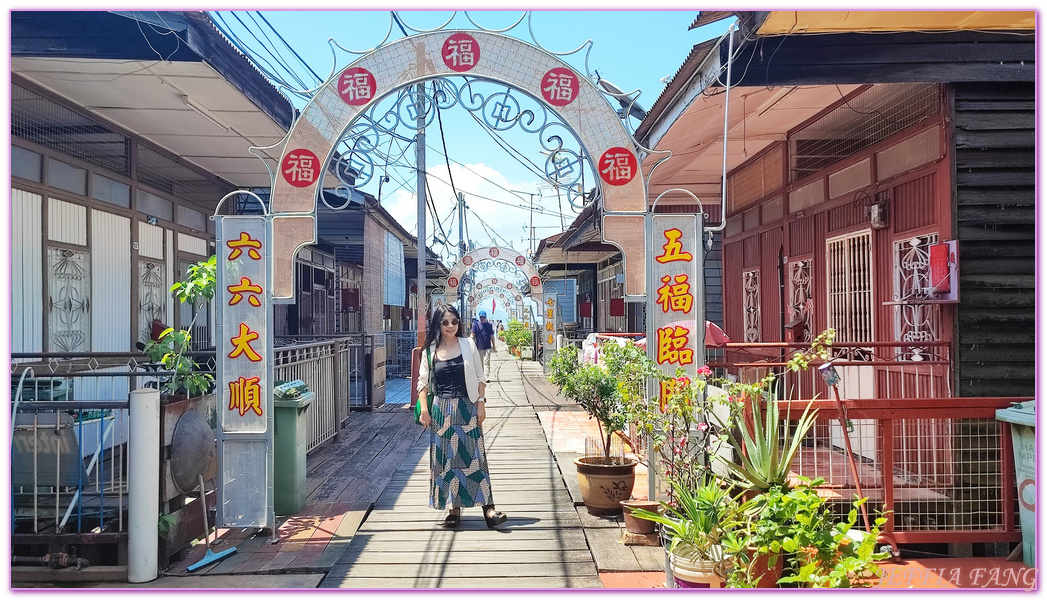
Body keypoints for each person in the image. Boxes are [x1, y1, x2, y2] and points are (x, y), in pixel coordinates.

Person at [416, 304, 507, 529]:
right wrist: (425, 410)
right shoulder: (430, 350)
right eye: (445, 322)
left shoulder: (468, 344)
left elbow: (480, 376)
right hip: (440, 410)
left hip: (467, 406)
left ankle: (489, 509)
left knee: (475, 457)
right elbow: (423, 383)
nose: (450, 326)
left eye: (454, 322)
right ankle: (452, 509)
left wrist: (481, 404)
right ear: (438, 324)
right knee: (445, 460)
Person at [470, 310, 496, 377]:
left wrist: (494, 346)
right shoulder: (476, 325)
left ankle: (486, 376)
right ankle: (481, 376)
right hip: (479, 346)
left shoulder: (489, 325)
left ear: (485, 317)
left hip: (487, 346)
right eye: (481, 317)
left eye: (483, 317)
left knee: (486, 361)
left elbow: (492, 336)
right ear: (479, 317)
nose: (482, 318)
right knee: (480, 362)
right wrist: (469, 341)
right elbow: (473, 334)